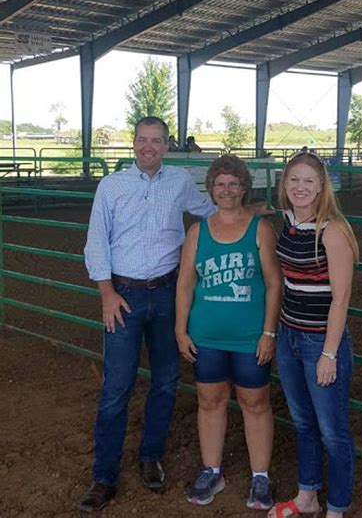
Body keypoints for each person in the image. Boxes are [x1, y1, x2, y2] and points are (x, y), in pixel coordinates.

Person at [80, 116, 217, 513]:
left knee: (166, 381)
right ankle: (104, 476)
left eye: (157, 141)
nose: (149, 147)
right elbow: (96, 242)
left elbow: (208, 211)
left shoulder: (179, 182)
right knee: (116, 388)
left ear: (167, 144)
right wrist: (106, 292)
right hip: (122, 295)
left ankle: (150, 456)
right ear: (134, 142)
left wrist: (246, 214)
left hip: (168, 292)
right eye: (143, 140)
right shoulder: (112, 186)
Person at [175, 155, 282, 510]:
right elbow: (186, 284)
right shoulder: (198, 231)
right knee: (210, 401)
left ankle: (260, 477)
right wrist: (181, 328)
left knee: (256, 402)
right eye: (220, 184)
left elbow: (273, 283)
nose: (226, 190)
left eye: (233, 184)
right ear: (211, 188)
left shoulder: (259, 229)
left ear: (244, 188)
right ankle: (212, 470)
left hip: (249, 337)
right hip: (206, 335)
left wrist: (268, 333)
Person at [268, 149, 359, 518]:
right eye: (294, 180)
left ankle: (337, 507)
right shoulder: (289, 222)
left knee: (332, 431)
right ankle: (308, 495)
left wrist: (330, 353)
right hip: (289, 335)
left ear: (322, 187)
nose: (300, 187)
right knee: (303, 421)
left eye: (309, 181)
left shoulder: (332, 230)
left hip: (319, 341)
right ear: (284, 185)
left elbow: (342, 297)